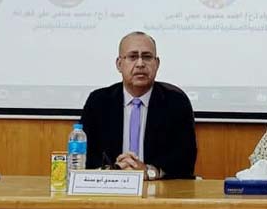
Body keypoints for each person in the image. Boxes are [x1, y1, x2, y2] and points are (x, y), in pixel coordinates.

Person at [80, 32, 197, 180]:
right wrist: (114, 171)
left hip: (158, 187)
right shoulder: (98, 102)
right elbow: (86, 156)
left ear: (157, 63)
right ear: (119, 64)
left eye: (147, 57)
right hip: (110, 186)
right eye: (133, 57)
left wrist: (149, 172)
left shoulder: (176, 102)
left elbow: (185, 159)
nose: (140, 64)